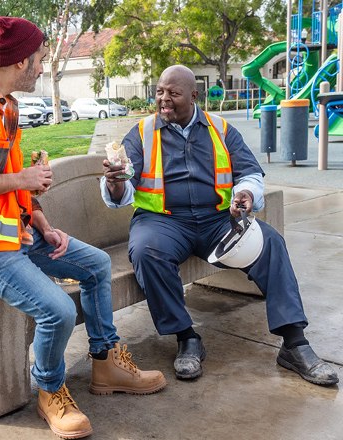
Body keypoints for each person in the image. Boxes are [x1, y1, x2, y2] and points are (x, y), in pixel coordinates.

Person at [0, 13, 166, 439]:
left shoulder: (6, 106)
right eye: (41, 59)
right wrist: (23, 181)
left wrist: (43, 222)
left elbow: (10, 176)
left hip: (12, 233)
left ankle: (105, 365)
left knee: (95, 265)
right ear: (20, 62)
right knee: (58, 310)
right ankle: (50, 391)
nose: (43, 66)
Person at [101, 64, 339, 387]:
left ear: (194, 96)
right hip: (164, 223)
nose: (163, 100)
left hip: (217, 220)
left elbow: (252, 174)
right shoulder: (142, 133)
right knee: (145, 251)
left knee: (272, 243)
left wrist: (246, 194)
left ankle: (295, 343)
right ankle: (186, 338)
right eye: (159, 92)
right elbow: (123, 188)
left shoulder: (221, 129)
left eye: (173, 93)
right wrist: (115, 184)